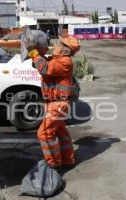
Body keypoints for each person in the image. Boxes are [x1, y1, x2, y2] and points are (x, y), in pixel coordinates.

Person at [28, 35, 80, 170]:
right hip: (55, 103)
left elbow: (45, 68)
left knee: (44, 133)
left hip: (58, 105)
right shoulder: (58, 59)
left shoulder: (64, 62)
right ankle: (68, 160)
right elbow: (41, 64)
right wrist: (36, 54)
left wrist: (33, 52)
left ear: (66, 50)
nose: (56, 44)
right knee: (60, 132)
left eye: (60, 43)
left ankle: (54, 165)